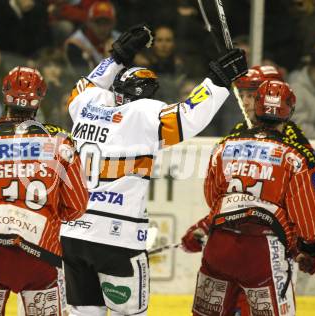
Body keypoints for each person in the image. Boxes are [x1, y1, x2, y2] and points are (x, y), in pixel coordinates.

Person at [60, 24, 248, 315]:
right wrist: (218, 81)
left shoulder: (86, 104)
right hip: (117, 237)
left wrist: (117, 57)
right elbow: (188, 117)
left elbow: (87, 85)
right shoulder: (144, 114)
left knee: (83, 313)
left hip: (72, 233)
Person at [0, 66, 88, 315]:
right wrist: (49, 211)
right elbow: (77, 207)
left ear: (5, 93)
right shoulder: (61, 142)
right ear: (40, 97)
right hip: (42, 255)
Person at [183, 80, 315, 316]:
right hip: (263, 252)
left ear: (257, 107)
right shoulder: (294, 157)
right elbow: (308, 217)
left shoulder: (224, 147)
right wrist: (309, 248)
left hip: (219, 247)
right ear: (289, 111)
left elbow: (212, 197)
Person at [65, 0, 119, 74]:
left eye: (107, 23)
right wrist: (109, 59)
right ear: (89, 22)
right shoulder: (75, 44)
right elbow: (83, 77)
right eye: (98, 22)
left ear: (113, 24)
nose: (102, 28)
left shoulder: (119, 39)